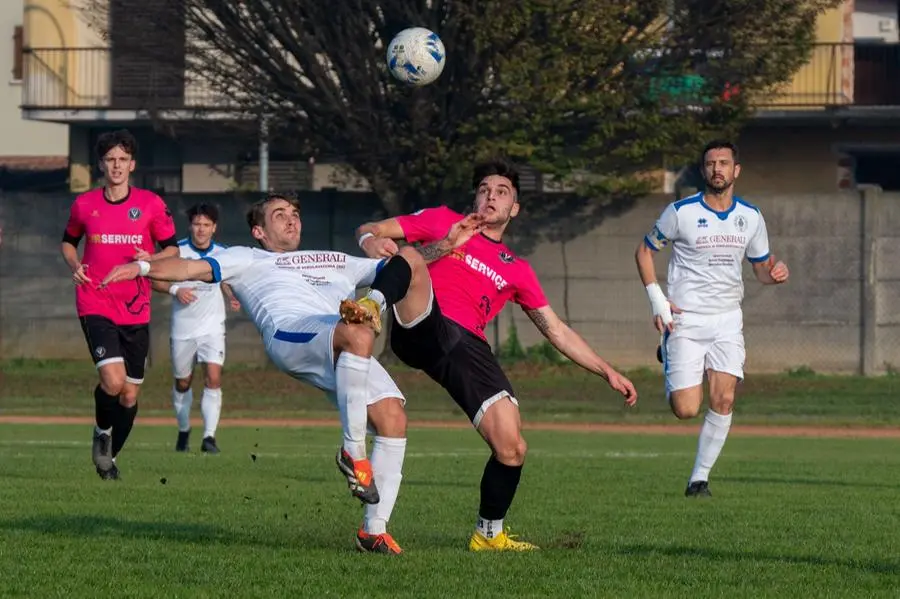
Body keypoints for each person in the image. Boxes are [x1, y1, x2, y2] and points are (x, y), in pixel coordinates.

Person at [350, 159, 639, 552]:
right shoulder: (442, 221)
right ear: (474, 197)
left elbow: (556, 330)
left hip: (466, 347)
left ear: (513, 209)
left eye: (501, 192)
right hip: (423, 321)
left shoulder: (517, 269)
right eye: (484, 189)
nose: (491, 196)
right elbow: (369, 230)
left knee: (512, 446)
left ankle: (489, 535)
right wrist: (376, 243)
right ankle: (371, 306)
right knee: (413, 256)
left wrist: (606, 371)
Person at [101, 194, 408, 554]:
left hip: (338, 337)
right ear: (259, 230)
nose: (292, 220)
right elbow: (188, 269)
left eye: (295, 214)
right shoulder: (246, 257)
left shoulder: (336, 259)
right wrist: (142, 268)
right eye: (280, 215)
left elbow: (397, 270)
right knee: (357, 330)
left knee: (393, 416)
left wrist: (441, 247)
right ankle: (353, 453)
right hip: (292, 335)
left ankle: (373, 530)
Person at [635, 139, 789, 497]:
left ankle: (698, 480)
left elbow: (761, 268)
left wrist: (775, 271)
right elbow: (643, 252)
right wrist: (657, 300)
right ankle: (668, 348)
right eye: (710, 163)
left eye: (724, 162)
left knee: (724, 400)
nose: (717, 169)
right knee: (686, 409)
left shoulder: (750, 217)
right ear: (703, 171)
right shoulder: (680, 212)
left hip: (727, 321)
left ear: (736, 170)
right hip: (686, 320)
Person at [60, 129, 178, 480]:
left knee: (128, 395)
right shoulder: (84, 204)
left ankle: (108, 456)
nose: (116, 165)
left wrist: (151, 257)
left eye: (122, 159)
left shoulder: (151, 205)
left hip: (136, 307)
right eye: (110, 159)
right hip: (94, 300)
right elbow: (68, 243)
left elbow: (173, 249)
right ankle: (101, 433)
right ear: (101, 164)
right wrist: (75, 265)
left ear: (132, 164)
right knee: (112, 381)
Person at [151, 203, 239, 455]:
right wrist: (176, 289)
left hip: (213, 327)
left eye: (206, 225)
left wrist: (231, 295)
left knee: (213, 378)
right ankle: (183, 429)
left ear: (214, 228)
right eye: (197, 224)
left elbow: (226, 279)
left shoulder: (223, 253)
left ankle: (209, 437)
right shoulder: (176, 251)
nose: (201, 230)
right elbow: (152, 278)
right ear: (190, 226)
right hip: (183, 329)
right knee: (183, 382)